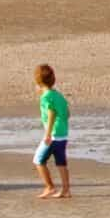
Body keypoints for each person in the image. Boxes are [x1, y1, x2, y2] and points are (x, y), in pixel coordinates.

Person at [33, 64, 72, 199]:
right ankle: (66, 189)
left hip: (53, 136)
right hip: (63, 134)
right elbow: (67, 113)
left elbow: (51, 114)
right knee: (61, 163)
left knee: (38, 160)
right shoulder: (58, 95)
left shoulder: (46, 97)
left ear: (38, 81)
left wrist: (48, 134)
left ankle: (49, 186)